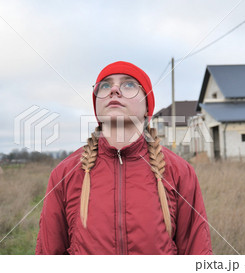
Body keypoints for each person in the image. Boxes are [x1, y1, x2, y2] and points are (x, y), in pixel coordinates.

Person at [35, 61, 212, 255]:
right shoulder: (64, 174)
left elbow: (197, 253)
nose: (114, 90)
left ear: (147, 108)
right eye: (105, 85)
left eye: (129, 84)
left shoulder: (180, 172)